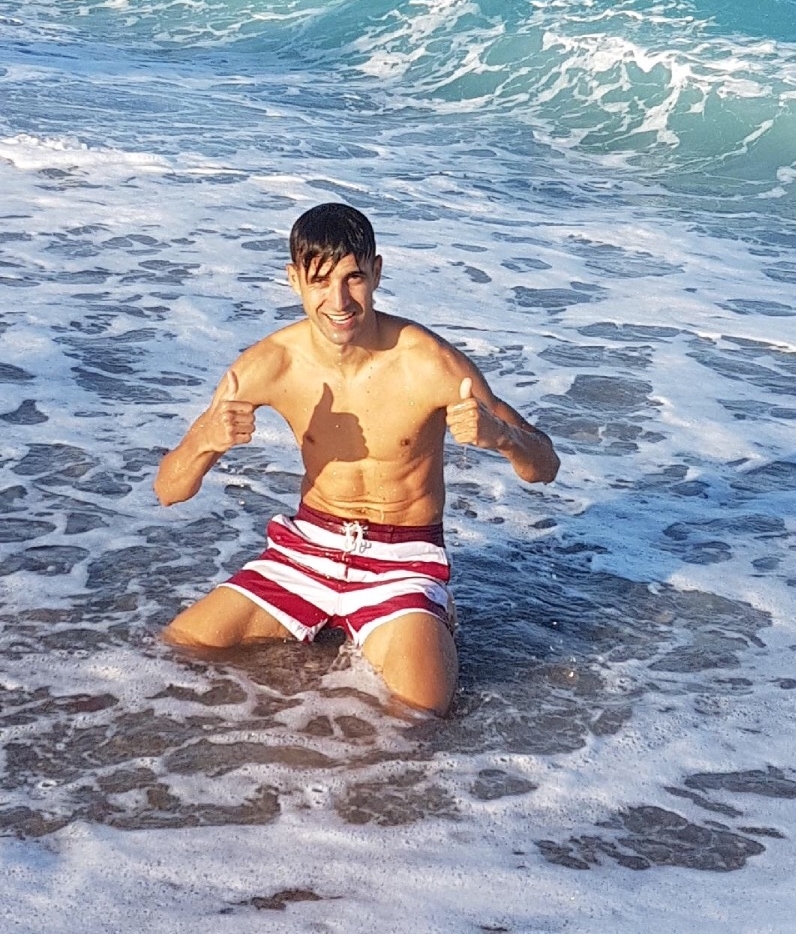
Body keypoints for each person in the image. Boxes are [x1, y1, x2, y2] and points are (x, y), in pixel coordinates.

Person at [154, 203, 559, 715]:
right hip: (306, 551)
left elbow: (545, 466)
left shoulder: (428, 363)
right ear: (294, 280)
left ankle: (428, 613)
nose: (339, 300)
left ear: (377, 272)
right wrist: (204, 442)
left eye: (354, 278)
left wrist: (501, 436)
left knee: (420, 713)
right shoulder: (269, 364)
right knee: (177, 651)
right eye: (320, 281)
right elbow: (169, 490)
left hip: (402, 560)